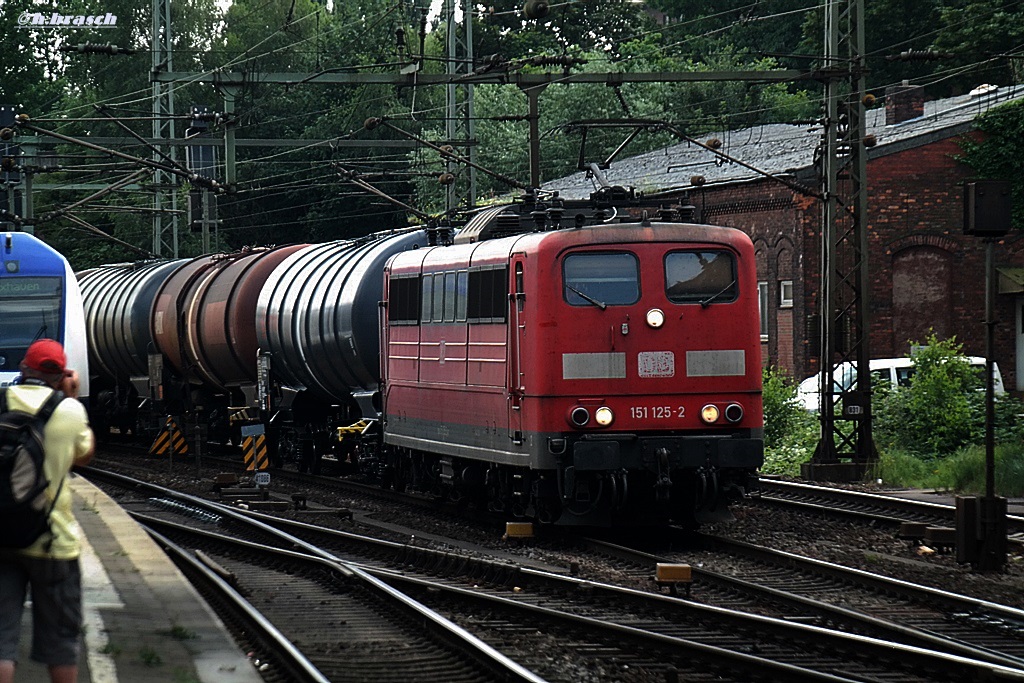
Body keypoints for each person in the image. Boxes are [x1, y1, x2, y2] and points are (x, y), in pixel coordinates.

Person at [0, 339, 95, 683]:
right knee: (61, 642)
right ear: (61, 375)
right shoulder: (69, 411)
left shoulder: (1, 402)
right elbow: (83, 456)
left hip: (2, 537)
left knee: (1, 641)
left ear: (24, 368)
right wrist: (70, 397)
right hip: (53, 542)